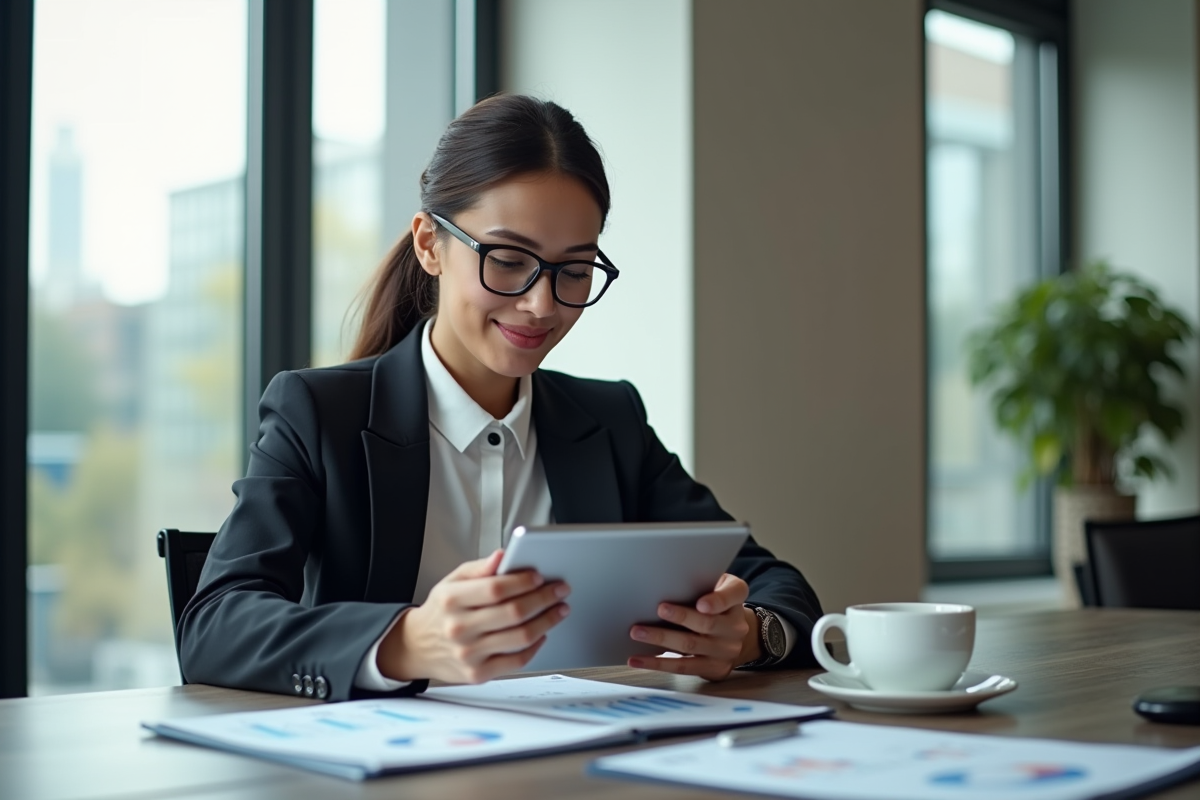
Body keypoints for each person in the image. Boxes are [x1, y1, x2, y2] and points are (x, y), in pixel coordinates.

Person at [179, 94, 822, 702]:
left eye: (575, 270)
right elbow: (215, 624)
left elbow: (776, 585)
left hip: (568, 759)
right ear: (430, 245)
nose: (541, 304)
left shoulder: (609, 422)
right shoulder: (320, 415)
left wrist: (749, 633)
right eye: (509, 259)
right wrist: (409, 641)